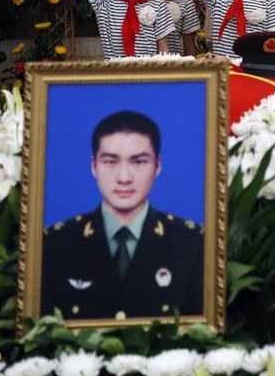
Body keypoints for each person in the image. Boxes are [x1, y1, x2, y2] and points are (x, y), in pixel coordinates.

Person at [41, 111, 203, 320]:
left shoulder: (191, 245)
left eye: (138, 162)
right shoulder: (55, 245)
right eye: (110, 162)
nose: (124, 178)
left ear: (157, 166)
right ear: (94, 166)